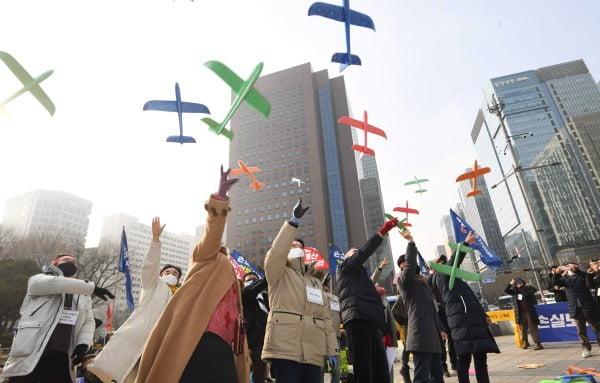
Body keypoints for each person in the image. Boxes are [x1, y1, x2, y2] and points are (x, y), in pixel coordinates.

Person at [135, 166, 250, 383]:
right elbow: (213, 232)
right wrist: (221, 198)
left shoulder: (233, 278)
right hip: (199, 339)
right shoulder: (206, 256)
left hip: (226, 347)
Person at [87, 217, 182, 383]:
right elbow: (150, 266)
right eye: (168, 272)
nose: (172, 274)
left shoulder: (181, 294)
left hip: (163, 344)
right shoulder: (153, 285)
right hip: (138, 338)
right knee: (120, 376)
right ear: (160, 275)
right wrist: (155, 241)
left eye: (175, 273)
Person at [1, 254, 114, 383]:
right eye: (67, 260)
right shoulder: (38, 280)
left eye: (74, 262)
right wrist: (92, 287)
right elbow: (56, 283)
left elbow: (88, 322)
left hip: (62, 356)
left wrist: (83, 344)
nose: (72, 263)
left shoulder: (83, 294)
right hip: (31, 351)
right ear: (54, 263)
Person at [261, 199, 338, 383]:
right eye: (292, 245)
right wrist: (293, 221)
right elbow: (277, 252)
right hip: (285, 349)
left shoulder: (315, 283)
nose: (296, 248)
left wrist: (333, 351)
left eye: (299, 247)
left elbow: (326, 319)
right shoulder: (277, 273)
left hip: (314, 352)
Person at [430, 232, 500, 383]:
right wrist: (466, 244)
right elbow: (453, 262)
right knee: (464, 359)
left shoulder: (457, 281)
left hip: (473, 321)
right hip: (462, 323)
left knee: (480, 358)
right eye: (440, 263)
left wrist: (484, 316)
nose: (444, 264)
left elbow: (473, 300)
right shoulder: (441, 277)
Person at [337, 217, 398, 383]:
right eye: (353, 253)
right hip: (357, 320)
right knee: (364, 371)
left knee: (380, 371)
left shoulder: (361, 278)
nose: (358, 254)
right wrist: (381, 232)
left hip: (372, 323)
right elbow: (364, 252)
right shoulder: (345, 268)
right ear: (347, 258)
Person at [397, 229, 446, 383]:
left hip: (433, 337)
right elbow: (410, 267)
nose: (411, 264)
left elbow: (432, 310)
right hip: (420, 337)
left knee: (437, 377)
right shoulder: (405, 282)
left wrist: (441, 329)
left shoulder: (424, 282)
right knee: (422, 378)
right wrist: (411, 242)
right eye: (406, 264)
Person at [553, 262, 600, 358]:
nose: (570, 268)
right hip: (575, 308)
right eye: (568, 266)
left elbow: (590, 283)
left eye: (572, 266)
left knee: (596, 328)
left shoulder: (583, 276)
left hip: (588, 307)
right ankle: (586, 348)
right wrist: (556, 273)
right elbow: (556, 283)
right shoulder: (564, 279)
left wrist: (577, 271)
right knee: (581, 330)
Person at [428, 254, 457, 377]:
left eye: (443, 263)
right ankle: (443, 367)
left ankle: (455, 364)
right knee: (441, 341)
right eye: (440, 263)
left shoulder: (448, 276)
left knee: (453, 340)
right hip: (439, 313)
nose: (442, 265)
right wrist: (432, 272)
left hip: (450, 310)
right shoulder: (430, 278)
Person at [371, 258, 399, 383]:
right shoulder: (367, 297)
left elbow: (390, 318)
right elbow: (371, 281)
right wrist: (380, 268)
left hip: (386, 336)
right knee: (378, 368)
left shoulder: (384, 298)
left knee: (389, 365)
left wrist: (394, 334)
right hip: (374, 336)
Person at [242, 271, 269, 383]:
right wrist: (272, 274)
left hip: (264, 342)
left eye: (254, 279)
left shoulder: (266, 297)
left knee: (259, 376)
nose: (251, 282)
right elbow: (253, 288)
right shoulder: (245, 293)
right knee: (244, 375)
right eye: (248, 280)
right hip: (249, 343)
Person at [503, 278, 543, 350]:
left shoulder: (527, 289)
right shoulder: (514, 292)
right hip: (520, 313)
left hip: (529, 312)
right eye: (517, 283)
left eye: (520, 282)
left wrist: (525, 286)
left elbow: (533, 290)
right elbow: (506, 290)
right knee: (523, 329)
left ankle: (538, 343)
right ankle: (525, 342)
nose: (518, 284)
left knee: (533, 328)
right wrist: (510, 284)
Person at [393, 255, 412, 383]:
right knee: (409, 344)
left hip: (416, 313)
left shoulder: (414, 274)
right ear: (401, 264)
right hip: (406, 315)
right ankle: (405, 367)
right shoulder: (399, 276)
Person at [321, 274, 341, 383]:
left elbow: (341, 314)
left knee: (337, 370)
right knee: (319, 370)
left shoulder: (335, 299)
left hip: (335, 338)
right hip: (319, 337)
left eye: (326, 284)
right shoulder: (314, 297)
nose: (325, 286)